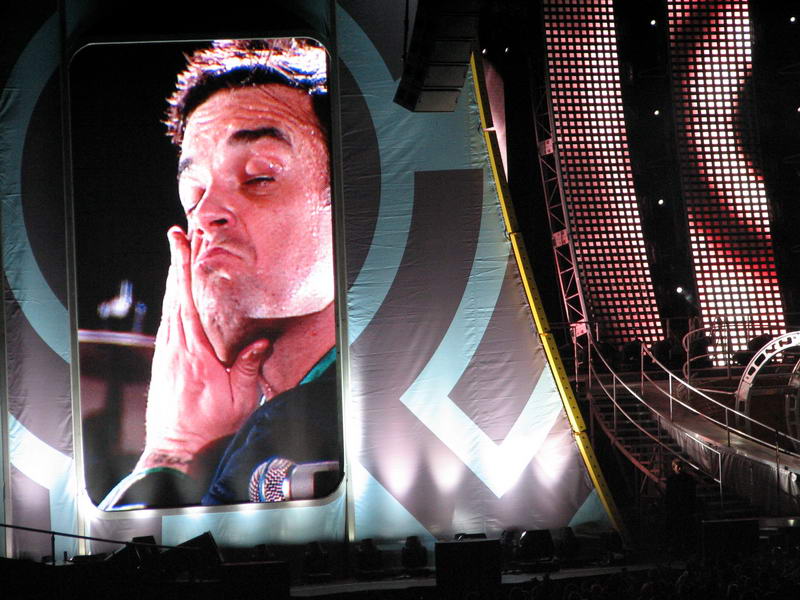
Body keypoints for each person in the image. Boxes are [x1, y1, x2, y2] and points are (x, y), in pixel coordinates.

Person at [101, 38, 340, 509]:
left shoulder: (304, 426)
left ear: (354, 203)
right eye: (193, 193)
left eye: (259, 177)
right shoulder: (260, 433)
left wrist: (172, 453)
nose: (206, 214)